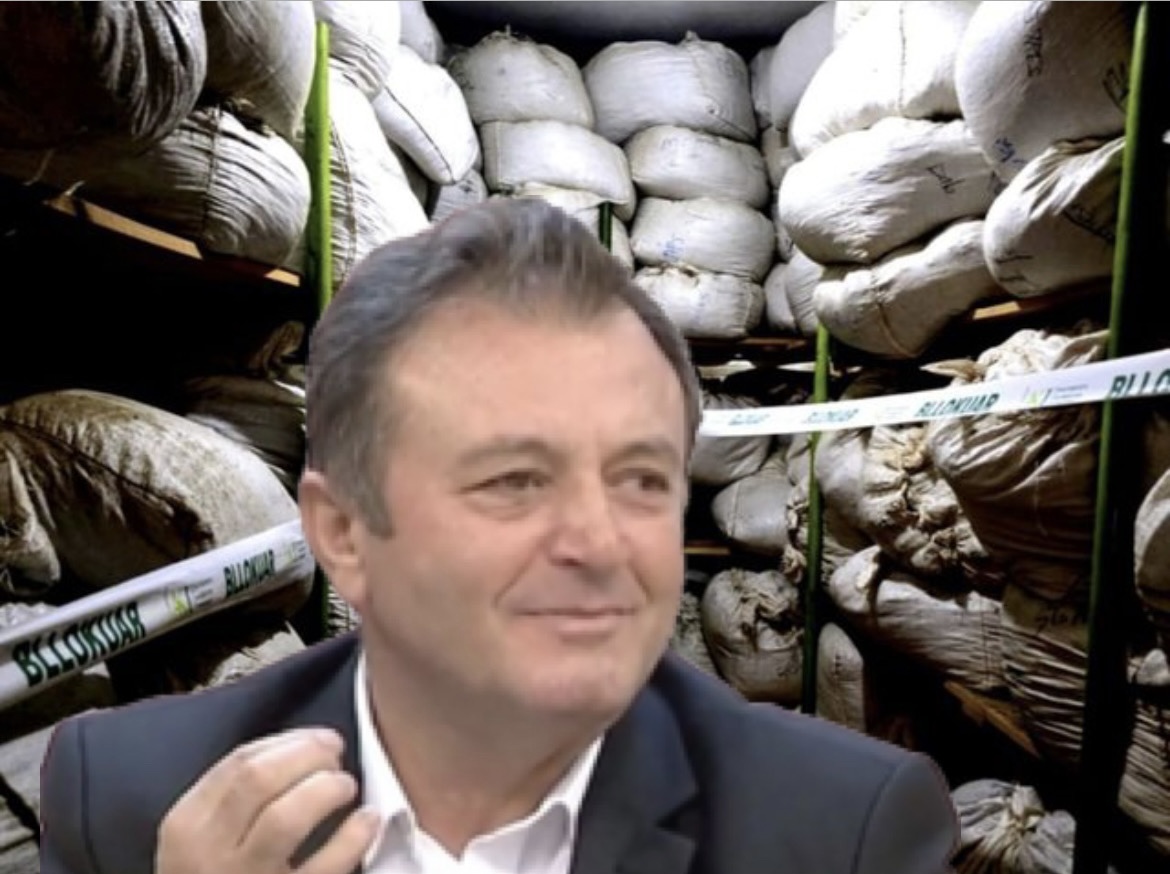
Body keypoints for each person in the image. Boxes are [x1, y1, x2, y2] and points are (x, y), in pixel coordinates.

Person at [39, 198, 959, 874]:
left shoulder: (847, 830)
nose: (600, 545)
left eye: (641, 480)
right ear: (345, 534)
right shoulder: (129, 797)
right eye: (514, 481)